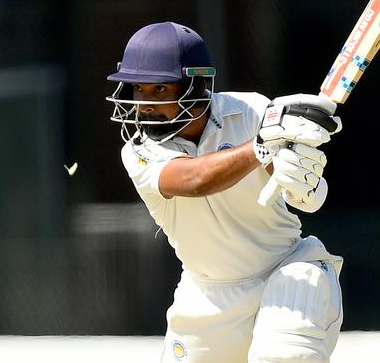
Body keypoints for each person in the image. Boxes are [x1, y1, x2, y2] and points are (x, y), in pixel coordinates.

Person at [107, 21, 343, 363]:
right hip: (207, 298)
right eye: (138, 90)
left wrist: (302, 175)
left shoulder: (251, 112)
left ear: (198, 84)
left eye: (159, 90)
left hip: (284, 270)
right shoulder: (138, 151)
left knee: (284, 354)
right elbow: (194, 180)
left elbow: (308, 197)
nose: (145, 104)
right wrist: (261, 147)